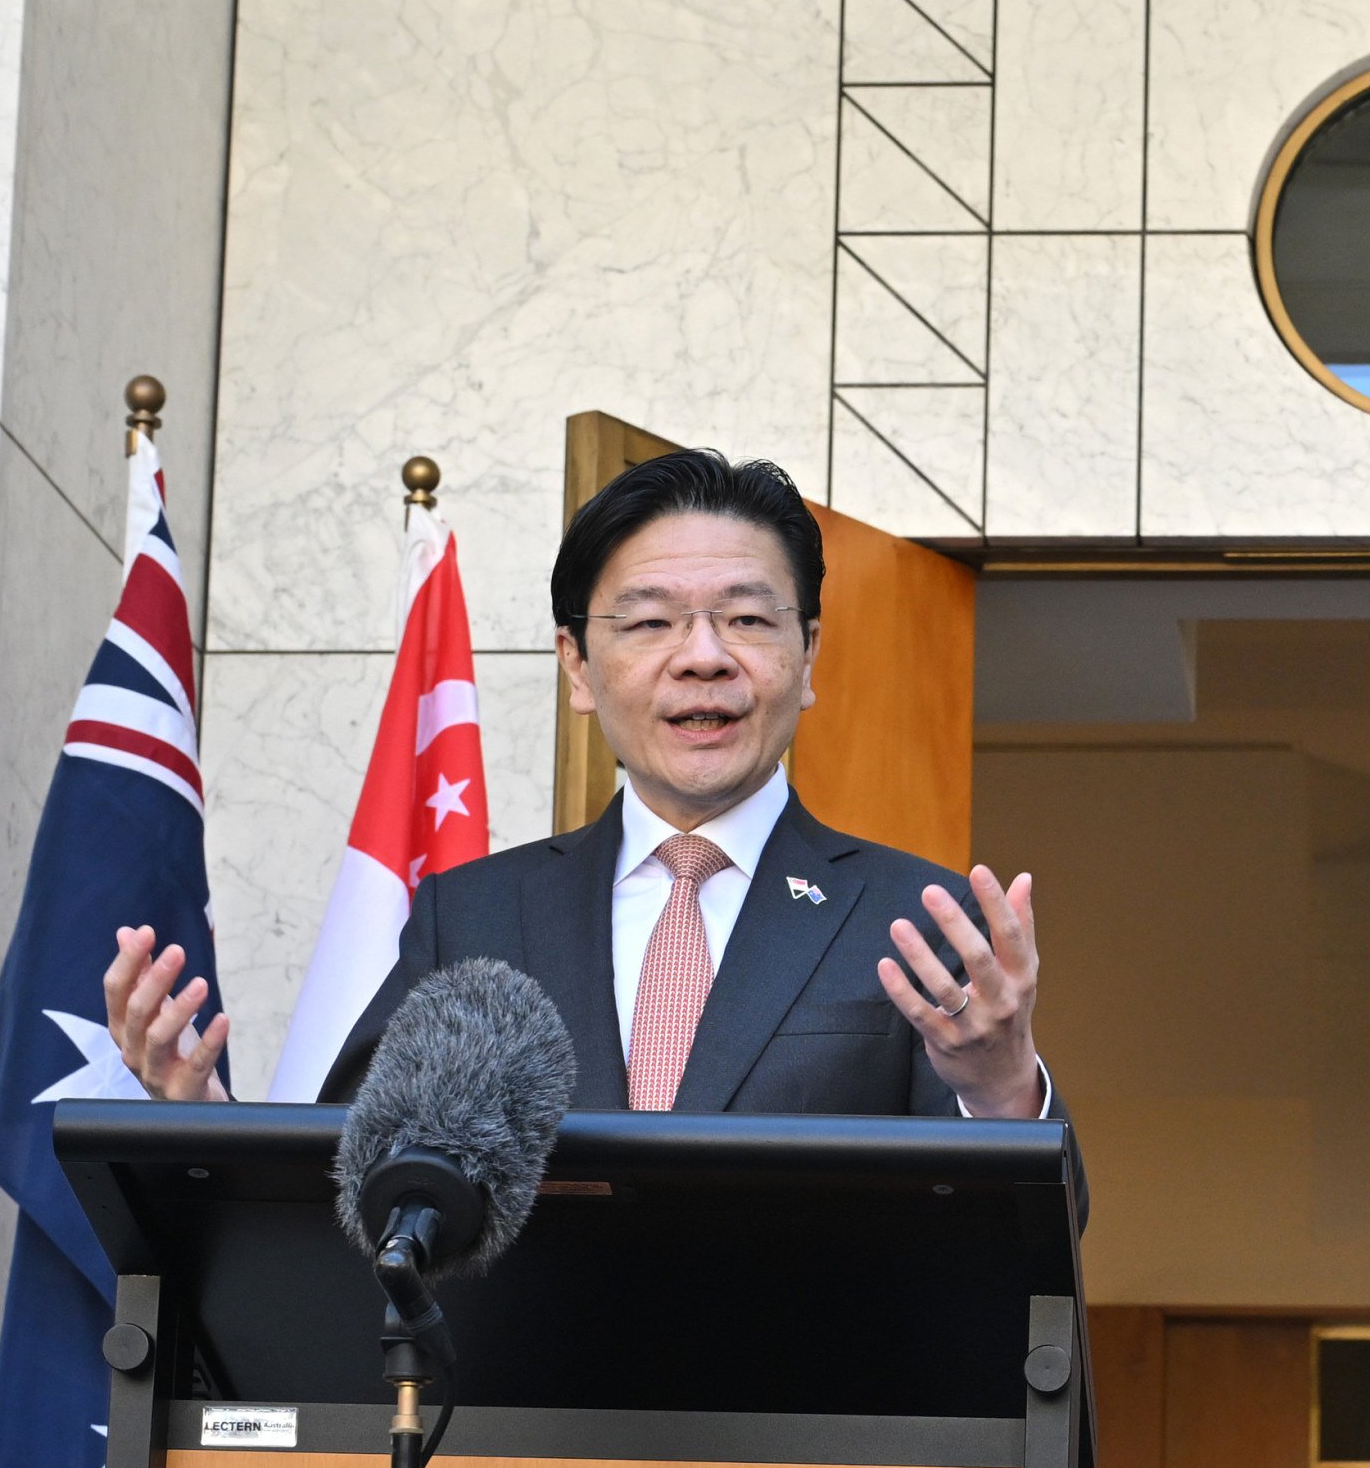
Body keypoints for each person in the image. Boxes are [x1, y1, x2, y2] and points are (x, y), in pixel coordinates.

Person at [98, 445, 1057, 1131]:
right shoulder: (472, 917)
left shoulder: (911, 917)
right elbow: (359, 1196)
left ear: (807, 658)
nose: (704, 659)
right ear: (577, 668)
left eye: (749, 620)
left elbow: (1026, 1245)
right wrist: (200, 1118)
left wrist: (1002, 1083)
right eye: (649, 625)